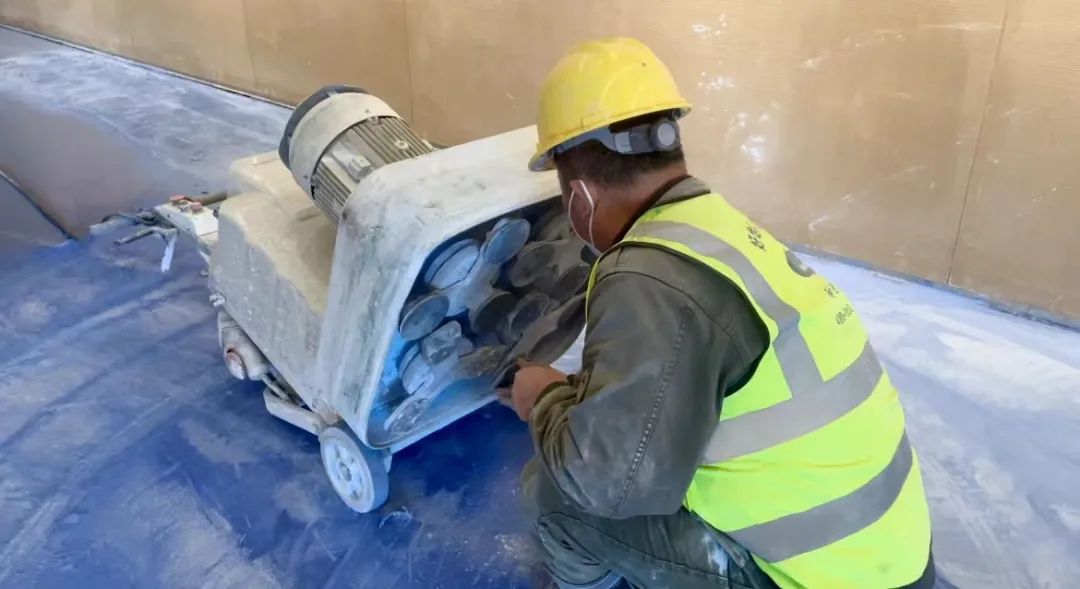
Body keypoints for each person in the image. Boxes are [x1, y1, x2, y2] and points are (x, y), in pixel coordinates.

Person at [501, 37, 937, 589]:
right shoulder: (716, 230)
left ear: (579, 195)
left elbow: (605, 483)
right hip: (891, 563)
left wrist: (542, 398)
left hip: (804, 580)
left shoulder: (644, 275)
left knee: (555, 496)